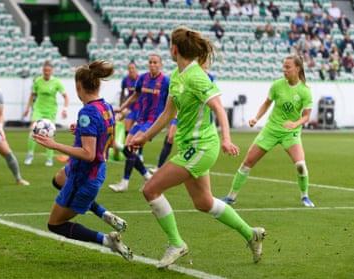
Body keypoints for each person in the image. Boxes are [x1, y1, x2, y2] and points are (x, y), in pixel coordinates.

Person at [128, 26, 265, 268]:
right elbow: (168, 113)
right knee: (203, 202)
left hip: (202, 147)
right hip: (190, 147)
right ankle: (250, 234)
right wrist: (144, 136)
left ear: (175, 49)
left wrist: (226, 139)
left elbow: (219, 108)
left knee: (150, 189)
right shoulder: (176, 76)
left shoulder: (197, 76)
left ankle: (176, 243)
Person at [32, 60, 133, 260]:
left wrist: (55, 145)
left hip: (84, 176)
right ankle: (103, 213)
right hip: (95, 170)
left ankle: (106, 240)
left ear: (79, 86)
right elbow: (108, 142)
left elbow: (88, 153)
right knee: (58, 180)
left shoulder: (87, 111)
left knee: (55, 224)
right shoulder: (107, 107)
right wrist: (80, 130)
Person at [222, 54, 315, 207]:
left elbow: (306, 116)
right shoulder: (277, 85)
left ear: (297, 69)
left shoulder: (305, 91)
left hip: (290, 133)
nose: (284, 70)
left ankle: (305, 196)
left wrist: (295, 123)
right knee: (247, 162)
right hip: (271, 129)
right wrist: (256, 118)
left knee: (300, 165)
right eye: (283, 67)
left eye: (288, 67)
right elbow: (266, 103)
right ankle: (231, 196)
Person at [108, 54, 170, 192]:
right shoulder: (143, 78)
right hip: (141, 119)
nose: (152, 65)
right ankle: (147, 176)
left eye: (155, 62)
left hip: (153, 122)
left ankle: (124, 182)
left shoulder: (166, 81)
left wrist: (171, 118)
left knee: (131, 147)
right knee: (126, 149)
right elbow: (135, 95)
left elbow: (171, 101)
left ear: (161, 64)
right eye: (150, 62)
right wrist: (122, 108)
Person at [23, 60, 69, 167]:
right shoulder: (38, 81)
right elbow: (32, 95)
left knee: (49, 134)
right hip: (38, 109)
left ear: (51, 71)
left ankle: (49, 159)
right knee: (33, 130)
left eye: (48, 70)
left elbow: (65, 96)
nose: (46, 72)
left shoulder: (56, 82)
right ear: (43, 71)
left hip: (50, 111)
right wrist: (28, 108)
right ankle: (30, 154)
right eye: (45, 70)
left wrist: (65, 109)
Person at [113, 61, 140, 160]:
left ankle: (139, 153)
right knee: (127, 129)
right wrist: (121, 106)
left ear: (136, 69)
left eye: (133, 68)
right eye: (129, 68)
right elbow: (122, 93)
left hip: (140, 107)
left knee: (139, 130)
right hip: (130, 107)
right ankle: (128, 149)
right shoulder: (125, 80)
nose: (131, 70)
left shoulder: (140, 79)